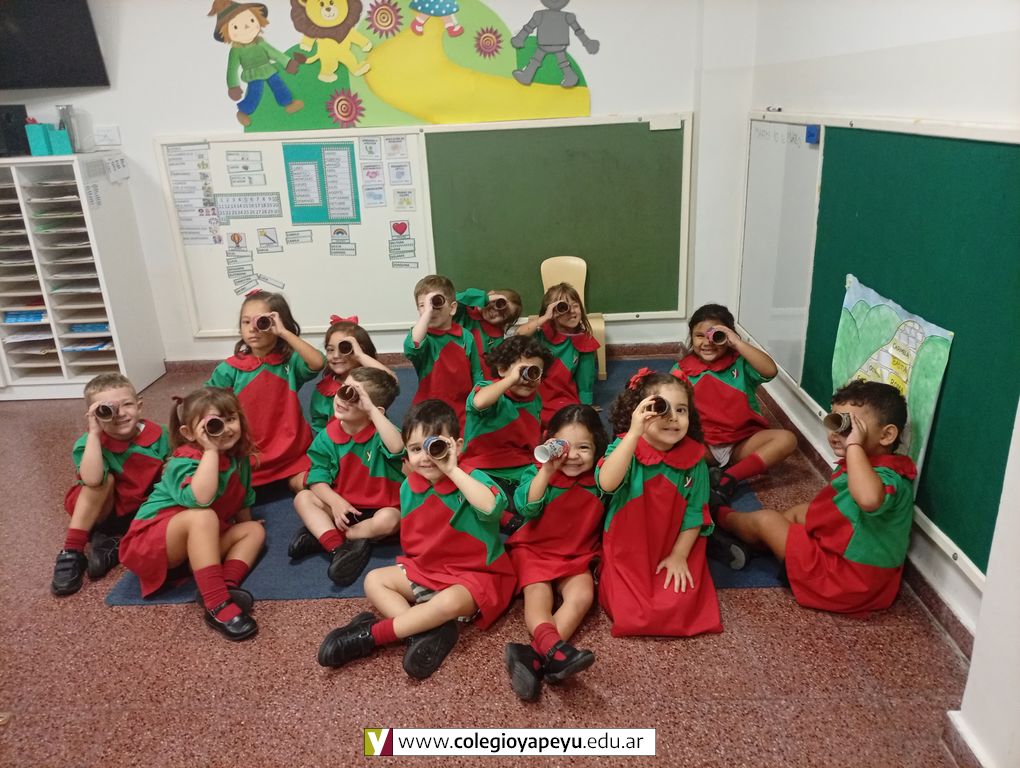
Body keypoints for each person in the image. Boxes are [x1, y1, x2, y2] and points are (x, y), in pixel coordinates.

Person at [317, 400, 516, 679]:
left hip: (474, 576)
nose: (426, 457)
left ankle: (371, 635)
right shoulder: (410, 486)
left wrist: (452, 470)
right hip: (428, 570)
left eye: (436, 446)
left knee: (447, 603)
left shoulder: (472, 479)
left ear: (457, 446)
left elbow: (491, 508)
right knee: (374, 580)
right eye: (415, 449)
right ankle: (422, 632)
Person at [716, 380, 917, 614]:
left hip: (843, 585)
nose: (836, 434)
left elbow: (869, 500)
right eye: (835, 422)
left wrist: (854, 446)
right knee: (802, 512)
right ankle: (755, 544)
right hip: (852, 572)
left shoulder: (889, 478)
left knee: (767, 520)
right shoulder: (870, 465)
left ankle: (718, 515)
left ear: (887, 435)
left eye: (850, 426)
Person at [119, 387, 265, 641]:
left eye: (231, 419)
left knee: (254, 530)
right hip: (152, 545)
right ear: (189, 433)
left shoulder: (237, 459)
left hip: (194, 544)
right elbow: (201, 499)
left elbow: (242, 498)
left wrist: (243, 525)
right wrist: (210, 451)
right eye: (213, 424)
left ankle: (225, 586)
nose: (224, 429)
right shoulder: (183, 461)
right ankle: (216, 604)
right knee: (203, 515)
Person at [596, 369, 722, 637]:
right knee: (632, 614)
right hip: (629, 545)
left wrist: (679, 555)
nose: (672, 417)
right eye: (660, 408)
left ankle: (722, 525)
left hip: (674, 542)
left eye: (681, 410)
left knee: (681, 608)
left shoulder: (694, 460)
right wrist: (633, 434)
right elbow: (607, 483)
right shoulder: (625, 448)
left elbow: (695, 512)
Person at [504, 404, 607, 700]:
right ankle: (553, 650)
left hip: (576, 553)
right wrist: (547, 470)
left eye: (584, 447)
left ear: (597, 448)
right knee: (539, 596)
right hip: (534, 549)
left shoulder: (601, 480)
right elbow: (527, 506)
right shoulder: (538, 473)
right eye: (565, 447)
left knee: (583, 595)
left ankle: (535, 655)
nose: (572, 456)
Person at [51, 374, 170, 597]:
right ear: (94, 415)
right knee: (102, 480)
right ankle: (72, 551)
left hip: (141, 511)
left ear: (140, 406)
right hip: (101, 510)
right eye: (108, 409)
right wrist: (95, 434)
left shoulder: (161, 434)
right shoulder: (89, 443)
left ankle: (114, 545)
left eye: (127, 404)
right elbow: (92, 480)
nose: (120, 413)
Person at [289, 368, 404, 585]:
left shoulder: (383, 434)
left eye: (355, 397)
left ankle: (338, 536)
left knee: (390, 520)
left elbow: (397, 447)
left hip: (379, 510)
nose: (343, 399)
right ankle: (337, 549)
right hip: (342, 507)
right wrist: (335, 502)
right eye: (344, 390)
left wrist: (372, 410)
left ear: (374, 411)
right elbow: (317, 478)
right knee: (303, 498)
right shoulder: (327, 436)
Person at [671, 303, 796, 501]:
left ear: (727, 336)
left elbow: (770, 371)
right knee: (668, 441)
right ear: (691, 337)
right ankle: (706, 471)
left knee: (787, 440)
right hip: (705, 444)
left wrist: (737, 343)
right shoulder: (682, 369)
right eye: (699, 335)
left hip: (741, 442)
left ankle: (730, 477)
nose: (707, 342)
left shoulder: (740, 362)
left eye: (714, 335)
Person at [206, 289, 324, 491]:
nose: (252, 329)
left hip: (291, 453)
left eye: (261, 322)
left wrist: (284, 333)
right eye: (245, 322)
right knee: (224, 489)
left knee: (311, 483)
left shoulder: (289, 362)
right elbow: (206, 404)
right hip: (248, 454)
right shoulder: (230, 369)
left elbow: (318, 362)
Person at [461, 335, 552, 530]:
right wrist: (510, 380)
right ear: (502, 369)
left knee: (544, 490)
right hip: (484, 467)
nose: (527, 379)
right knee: (475, 490)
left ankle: (517, 509)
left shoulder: (535, 399)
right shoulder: (488, 391)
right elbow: (479, 402)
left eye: (535, 372)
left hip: (520, 467)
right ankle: (504, 515)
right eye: (522, 371)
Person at [403, 275, 483, 428]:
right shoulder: (423, 337)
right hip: (429, 407)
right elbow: (413, 347)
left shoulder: (465, 336)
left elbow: (476, 373)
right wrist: (427, 313)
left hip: (462, 406)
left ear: (452, 308)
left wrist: (477, 399)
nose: (430, 309)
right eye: (422, 305)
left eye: (436, 302)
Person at [516, 282, 599, 426]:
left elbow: (585, 379)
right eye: (563, 308)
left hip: (563, 394)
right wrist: (545, 318)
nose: (572, 311)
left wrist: (586, 406)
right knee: (524, 419)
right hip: (535, 390)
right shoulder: (542, 333)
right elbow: (519, 335)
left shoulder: (584, 340)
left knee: (566, 421)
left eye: (575, 306)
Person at [308, 314, 396, 434]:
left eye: (344, 348)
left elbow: (392, 381)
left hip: (372, 439)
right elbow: (319, 424)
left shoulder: (372, 383)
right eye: (330, 350)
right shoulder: (323, 390)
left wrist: (360, 356)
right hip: (335, 442)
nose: (336, 355)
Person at [453, 287, 523, 379]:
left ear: (503, 322)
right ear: (491, 294)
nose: (496, 312)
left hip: (469, 378)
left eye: (503, 315)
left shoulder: (496, 339)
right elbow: (450, 301)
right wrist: (485, 298)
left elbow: (489, 369)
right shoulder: (463, 310)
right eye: (499, 304)